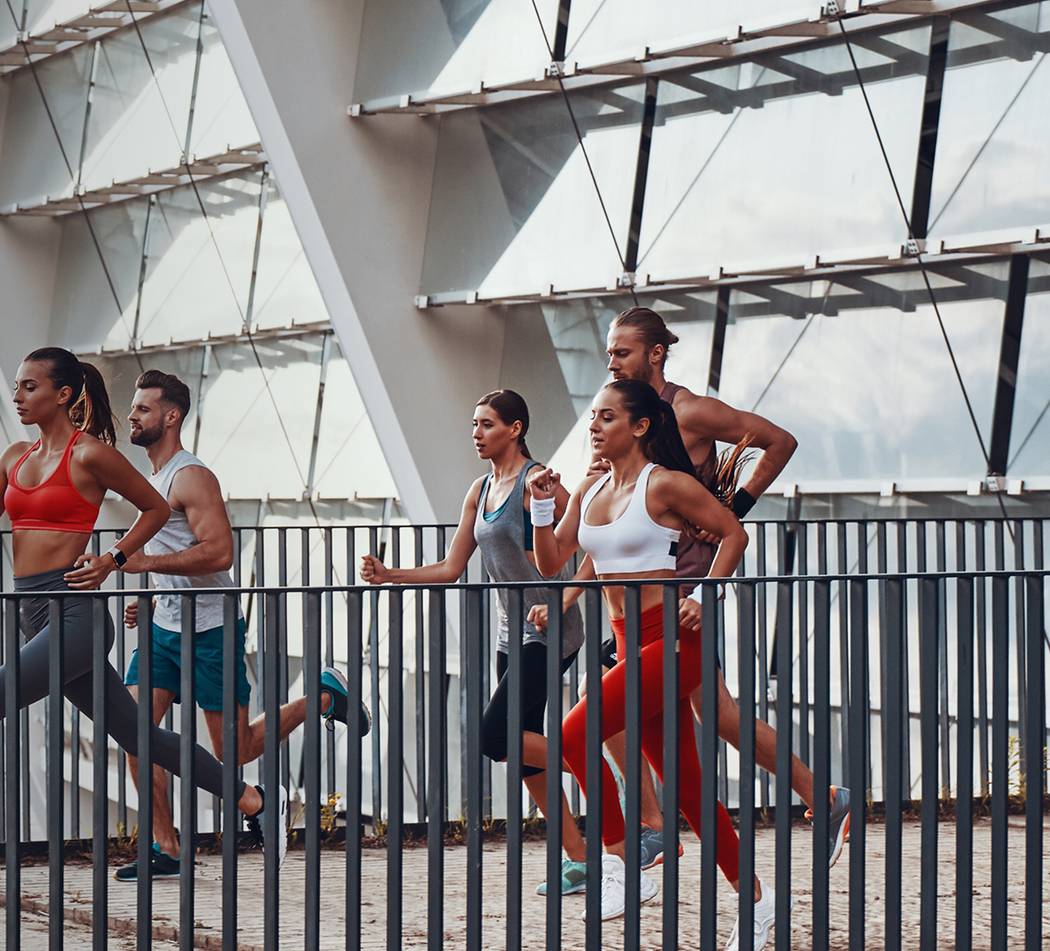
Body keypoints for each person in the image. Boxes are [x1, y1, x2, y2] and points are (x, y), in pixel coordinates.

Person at [0, 348, 342, 916]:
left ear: (63, 394)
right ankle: (255, 801)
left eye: (30, 387)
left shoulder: (92, 456)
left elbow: (153, 508)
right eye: (17, 386)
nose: (18, 395)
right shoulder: (12, 458)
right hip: (34, 613)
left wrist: (113, 560)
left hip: (77, 619)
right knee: (140, 739)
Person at [527, 379, 787, 951]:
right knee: (687, 788)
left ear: (641, 427)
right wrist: (543, 504)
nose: (594, 426)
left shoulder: (666, 484)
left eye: (607, 418)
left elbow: (733, 534)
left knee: (574, 732)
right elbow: (552, 559)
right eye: (593, 417)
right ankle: (760, 903)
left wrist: (705, 596)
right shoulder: (591, 491)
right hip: (628, 642)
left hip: (673, 641)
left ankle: (620, 867)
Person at [603, 308, 849, 871]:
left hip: (685, 585)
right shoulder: (627, 413)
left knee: (649, 707)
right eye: (611, 352)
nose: (611, 361)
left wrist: (732, 508)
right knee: (713, 713)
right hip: (643, 588)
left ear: (655, 354)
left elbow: (779, 442)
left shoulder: (691, 411)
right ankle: (822, 799)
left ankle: (654, 827)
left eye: (621, 351)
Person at [113, 370, 369, 882]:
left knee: (236, 749)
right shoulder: (147, 481)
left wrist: (145, 569)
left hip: (210, 628)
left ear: (171, 416)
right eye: (133, 408)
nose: (132, 417)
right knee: (135, 734)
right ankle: (167, 849)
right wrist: (148, 594)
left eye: (143, 409)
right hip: (164, 630)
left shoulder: (192, 477)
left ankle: (321, 695)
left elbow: (219, 551)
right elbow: (162, 550)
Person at [359, 390, 602, 897]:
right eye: (474, 424)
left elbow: (593, 547)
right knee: (524, 751)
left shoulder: (542, 484)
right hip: (511, 636)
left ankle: (591, 762)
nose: (476, 433)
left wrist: (564, 600)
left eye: (487, 424)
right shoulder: (482, 488)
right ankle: (580, 859)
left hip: (552, 630)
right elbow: (451, 569)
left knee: (495, 737)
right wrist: (389, 575)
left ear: (515, 429)